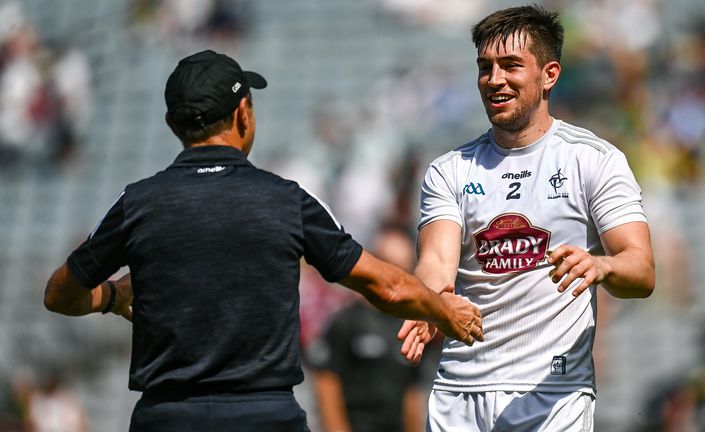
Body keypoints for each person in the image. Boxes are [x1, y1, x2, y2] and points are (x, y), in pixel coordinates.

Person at [43, 49, 483, 432]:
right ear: (243, 114)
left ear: (171, 123)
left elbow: (59, 293)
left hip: (167, 418)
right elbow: (383, 285)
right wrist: (442, 309)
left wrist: (113, 295)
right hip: (264, 417)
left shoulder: (136, 203)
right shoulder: (286, 200)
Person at [398, 5, 655, 431]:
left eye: (511, 65)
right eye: (485, 67)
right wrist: (427, 300)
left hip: (551, 394)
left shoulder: (594, 160)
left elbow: (641, 270)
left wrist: (601, 265)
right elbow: (436, 263)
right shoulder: (450, 169)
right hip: (458, 394)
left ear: (549, 75)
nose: (494, 79)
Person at [309, 222, 439, 432]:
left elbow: (412, 395)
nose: (397, 278)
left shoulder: (411, 327)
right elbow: (326, 385)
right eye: (389, 265)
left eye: (403, 269)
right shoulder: (347, 321)